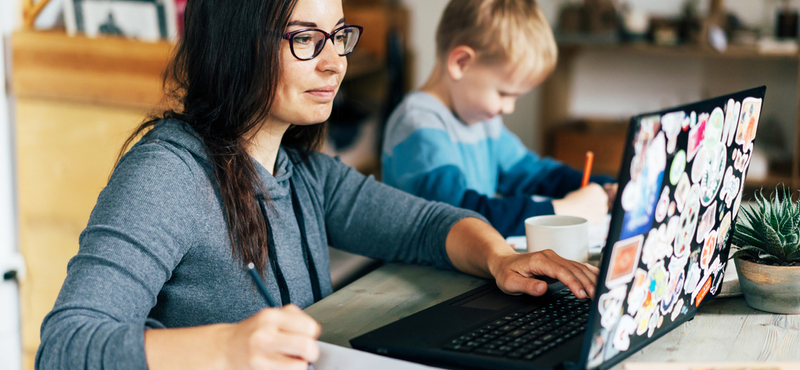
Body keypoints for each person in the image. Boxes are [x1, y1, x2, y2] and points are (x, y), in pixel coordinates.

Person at [36, 0, 599, 369]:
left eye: (338, 38)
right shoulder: (166, 174)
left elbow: (427, 224)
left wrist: (499, 258)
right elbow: (65, 347)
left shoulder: (301, 171)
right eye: (306, 39)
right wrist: (226, 349)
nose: (335, 64)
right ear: (239, 43)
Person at [381, 0, 618, 238]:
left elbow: (535, 175)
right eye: (504, 93)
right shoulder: (418, 124)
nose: (509, 107)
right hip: (414, 271)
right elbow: (461, 216)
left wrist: (603, 187)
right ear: (461, 63)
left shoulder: (482, 120)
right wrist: (563, 210)